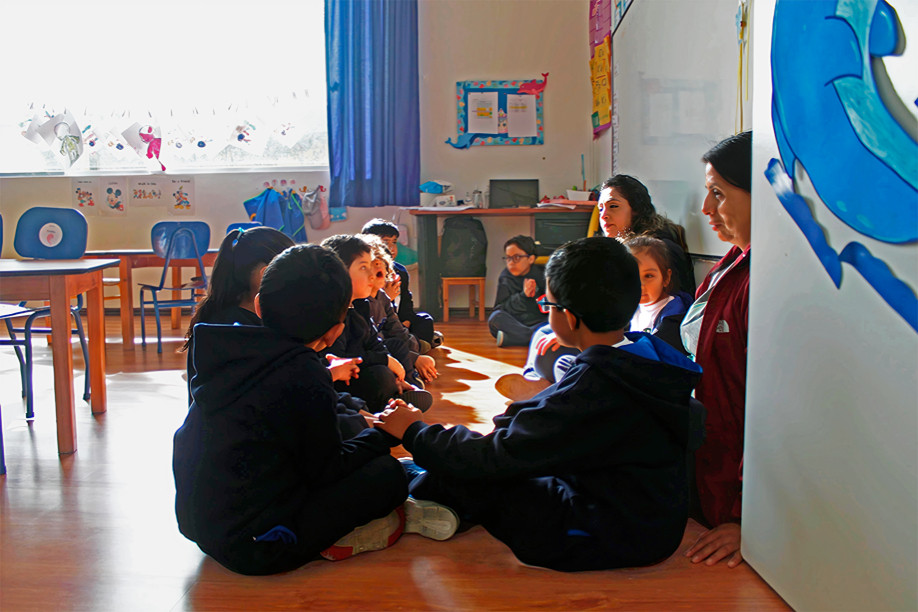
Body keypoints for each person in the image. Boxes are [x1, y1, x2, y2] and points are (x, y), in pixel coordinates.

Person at [376, 237, 703, 572]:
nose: (548, 314)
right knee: (490, 458)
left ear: (570, 318)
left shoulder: (592, 388)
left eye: (550, 306)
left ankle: (415, 490)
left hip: (600, 537)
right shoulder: (646, 357)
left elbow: (495, 454)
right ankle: (431, 485)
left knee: (481, 471)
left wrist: (413, 431)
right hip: (651, 529)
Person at [172, 244, 456, 576]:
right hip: (256, 546)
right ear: (336, 330)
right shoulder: (303, 373)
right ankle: (377, 522)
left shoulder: (223, 343)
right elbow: (326, 470)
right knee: (387, 475)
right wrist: (385, 435)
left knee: (355, 443)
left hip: (201, 525)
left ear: (260, 305)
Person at [497, 175, 694, 399]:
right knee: (544, 332)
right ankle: (537, 383)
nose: (604, 215)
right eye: (600, 209)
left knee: (551, 349)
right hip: (619, 332)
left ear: (637, 210)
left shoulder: (658, 250)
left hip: (629, 342)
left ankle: (544, 389)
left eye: (613, 206)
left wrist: (580, 331)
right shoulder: (620, 247)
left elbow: (661, 319)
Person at [181, 227, 366, 437]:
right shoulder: (242, 331)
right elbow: (274, 391)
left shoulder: (228, 318)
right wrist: (329, 374)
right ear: (265, 274)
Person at [681, 131, 752, 569]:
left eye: (719, 194)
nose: (707, 209)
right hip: (704, 465)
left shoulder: (764, 282)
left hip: (733, 491)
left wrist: (749, 519)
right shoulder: (730, 264)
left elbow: (773, 411)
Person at [320, 234, 433, 413]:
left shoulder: (360, 305)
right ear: (339, 272)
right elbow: (342, 357)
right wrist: (384, 361)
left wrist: (395, 372)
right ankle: (383, 408)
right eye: (364, 268)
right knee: (380, 376)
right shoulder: (331, 313)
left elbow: (375, 343)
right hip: (340, 381)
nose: (372, 275)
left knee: (389, 365)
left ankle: (398, 392)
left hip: (362, 367)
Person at [363, 234, 438, 386]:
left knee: (416, 329)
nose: (379, 269)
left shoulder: (382, 295)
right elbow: (373, 343)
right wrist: (414, 358)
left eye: (382, 265)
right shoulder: (360, 302)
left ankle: (409, 372)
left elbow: (397, 326)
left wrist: (412, 350)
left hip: (392, 338)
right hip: (372, 352)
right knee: (392, 351)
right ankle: (407, 380)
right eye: (372, 264)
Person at [360, 218, 442, 351]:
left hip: (399, 323)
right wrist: (387, 297)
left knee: (425, 320)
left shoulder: (401, 271)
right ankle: (417, 344)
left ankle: (415, 343)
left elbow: (406, 300)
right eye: (385, 242)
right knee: (383, 336)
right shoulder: (367, 273)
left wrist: (406, 322)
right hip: (379, 323)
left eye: (394, 242)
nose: (391, 248)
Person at [625, 235, 693, 354]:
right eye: (631, 275)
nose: (640, 285)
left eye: (649, 276)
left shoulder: (674, 316)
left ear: (666, 278)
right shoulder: (630, 308)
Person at [488, 235, 547, 347]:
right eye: (508, 258)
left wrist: (536, 296)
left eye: (516, 257)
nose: (511, 263)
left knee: (557, 322)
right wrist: (523, 296)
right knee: (495, 318)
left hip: (538, 321)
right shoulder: (505, 277)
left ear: (531, 259)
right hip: (515, 322)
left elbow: (551, 306)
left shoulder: (542, 275)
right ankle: (535, 337)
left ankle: (513, 339)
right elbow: (501, 308)